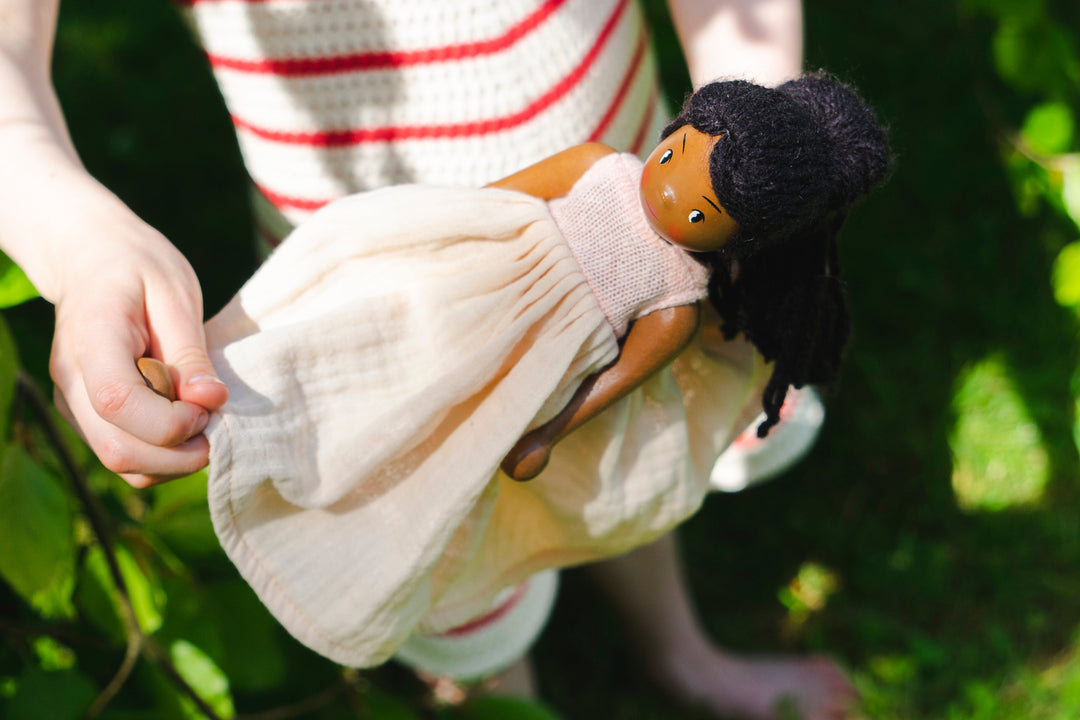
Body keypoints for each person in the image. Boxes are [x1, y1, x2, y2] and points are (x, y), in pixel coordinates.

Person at [0, 2, 871, 718]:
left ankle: (679, 650)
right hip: (399, 311)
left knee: (618, 469)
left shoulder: (665, 278)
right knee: (436, 517)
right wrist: (76, 237)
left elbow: (620, 385)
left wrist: (755, 149)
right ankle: (498, 695)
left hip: (606, 168)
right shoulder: (576, 191)